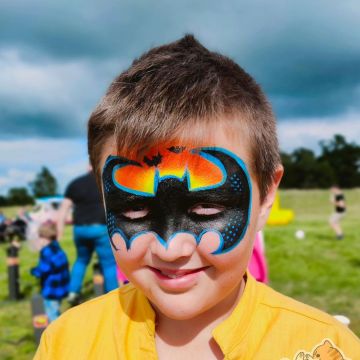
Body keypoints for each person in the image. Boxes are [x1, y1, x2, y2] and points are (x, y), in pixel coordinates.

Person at [34, 35, 360, 359]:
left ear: (266, 196)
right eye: (134, 209)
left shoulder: (326, 347)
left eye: (207, 206)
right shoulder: (67, 344)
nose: (171, 248)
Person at [57, 169, 118, 304]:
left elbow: (63, 209)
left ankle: (73, 292)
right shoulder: (107, 182)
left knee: (81, 260)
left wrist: (59, 232)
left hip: (80, 229)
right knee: (108, 264)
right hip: (100, 228)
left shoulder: (76, 183)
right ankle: (113, 296)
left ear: (87, 167)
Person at [30, 222, 70, 322]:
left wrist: (34, 271)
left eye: (40, 237)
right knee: (55, 308)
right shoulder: (56, 246)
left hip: (51, 288)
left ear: (44, 237)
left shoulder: (46, 251)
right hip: (61, 286)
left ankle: (57, 334)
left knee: (51, 313)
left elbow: (44, 269)